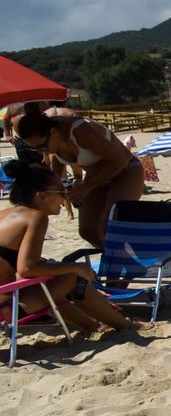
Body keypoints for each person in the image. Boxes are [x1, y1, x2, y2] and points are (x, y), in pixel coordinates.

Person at [0, 161, 136, 333]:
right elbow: (27, 268)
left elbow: (16, 270)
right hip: (6, 308)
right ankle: (125, 326)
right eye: (61, 191)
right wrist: (77, 268)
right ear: (41, 196)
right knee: (72, 278)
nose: (66, 197)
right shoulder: (35, 217)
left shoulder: (5, 216)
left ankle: (93, 326)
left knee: (57, 279)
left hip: (6, 297)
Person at [12, 103, 144, 248]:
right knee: (87, 231)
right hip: (97, 177)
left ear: (54, 133)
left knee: (111, 226)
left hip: (126, 170)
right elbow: (55, 178)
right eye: (34, 148)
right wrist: (66, 193)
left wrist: (86, 188)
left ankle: (123, 259)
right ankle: (112, 257)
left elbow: (120, 161)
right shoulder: (52, 142)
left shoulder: (79, 130)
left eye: (41, 147)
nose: (39, 152)